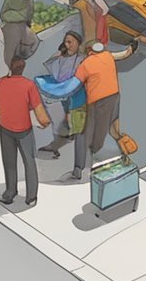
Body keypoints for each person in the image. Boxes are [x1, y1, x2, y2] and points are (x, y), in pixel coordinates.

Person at [0, 57, 49, 206]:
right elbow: (38, 108)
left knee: (9, 162)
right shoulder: (28, 86)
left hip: (5, 128)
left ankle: (10, 192)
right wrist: (44, 122)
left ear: (10, 67)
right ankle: (31, 197)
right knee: (29, 162)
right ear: (23, 69)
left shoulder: (0, 83)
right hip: (24, 130)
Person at [69, 41, 121, 181]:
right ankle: (95, 154)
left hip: (96, 100)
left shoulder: (86, 63)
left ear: (88, 51)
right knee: (102, 129)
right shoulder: (108, 57)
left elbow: (74, 83)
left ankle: (79, 168)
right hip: (113, 96)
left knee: (85, 131)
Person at [37, 31, 86, 160]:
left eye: (71, 42)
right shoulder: (60, 57)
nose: (68, 44)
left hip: (74, 91)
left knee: (73, 116)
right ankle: (60, 138)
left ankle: (69, 138)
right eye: (66, 41)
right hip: (60, 90)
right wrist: (58, 54)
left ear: (78, 43)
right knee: (58, 115)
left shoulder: (82, 59)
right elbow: (48, 66)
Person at [0, 0, 40, 64]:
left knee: (34, 40)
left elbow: (29, 15)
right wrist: (19, 16)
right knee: (8, 53)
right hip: (10, 26)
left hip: (23, 27)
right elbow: (4, 14)